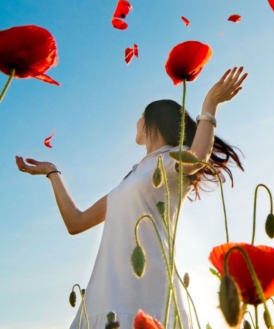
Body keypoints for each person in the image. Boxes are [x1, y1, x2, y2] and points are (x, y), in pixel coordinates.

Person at [15, 67, 248, 329]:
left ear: (154, 121)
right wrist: (52, 172)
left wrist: (210, 105)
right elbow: (76, 222)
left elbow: (198, 158)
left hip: (147, 294)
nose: (136, 122)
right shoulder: (132, 177)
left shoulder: (174, 158)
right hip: (103, 295)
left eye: (140, 116)